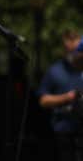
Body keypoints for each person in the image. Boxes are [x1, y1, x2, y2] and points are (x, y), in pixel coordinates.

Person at [37, 29, 83, 160]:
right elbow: (43, 101)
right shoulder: (54, 71)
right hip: (62, 131)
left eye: (77, 51)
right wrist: (67, 97)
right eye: (70, 50)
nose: (75, 55)